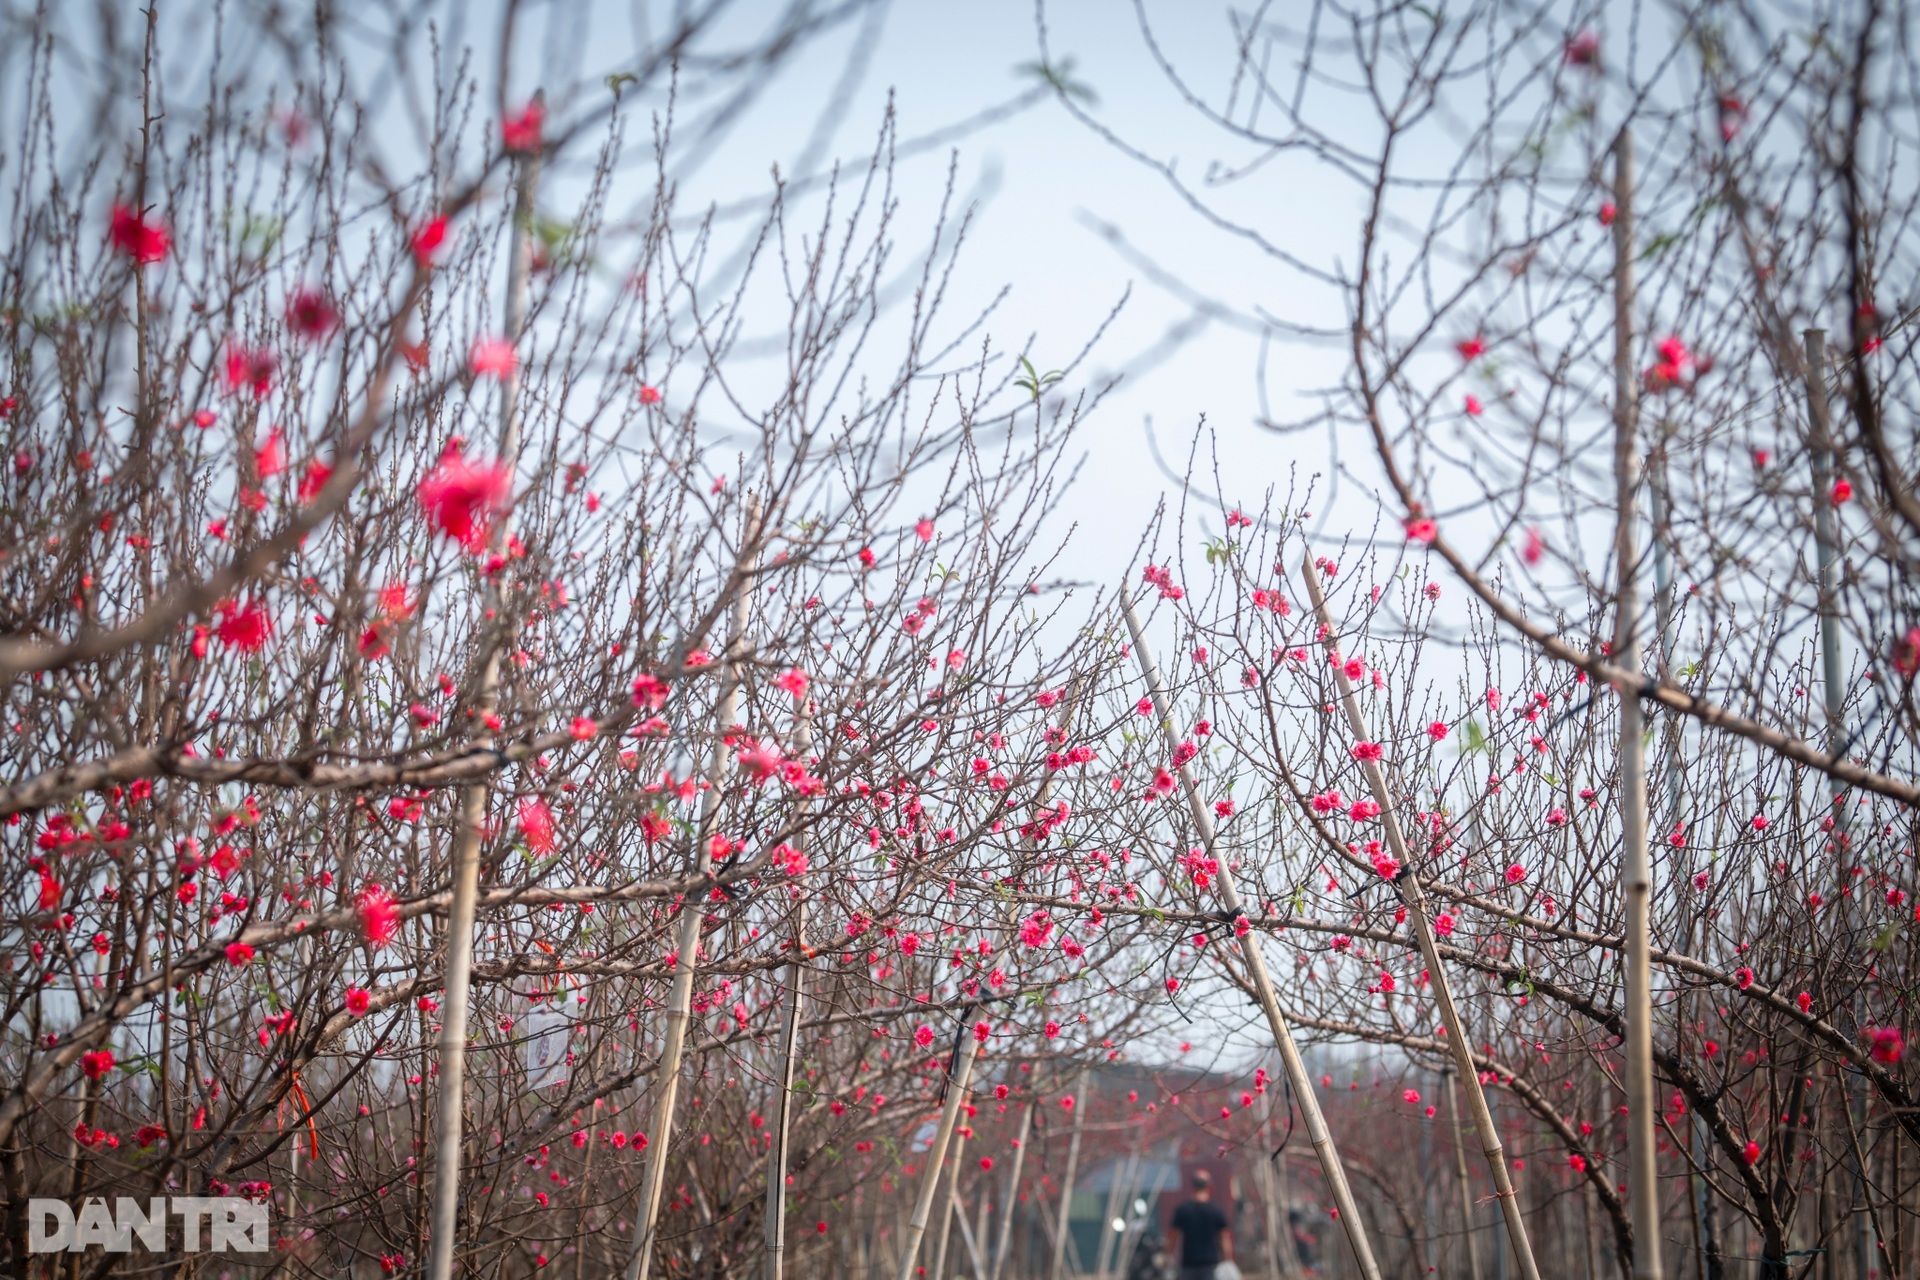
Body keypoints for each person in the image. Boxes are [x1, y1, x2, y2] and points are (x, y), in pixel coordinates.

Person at [1168, 1168, 1233, 1280]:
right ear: (1209, 1187)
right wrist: (1228, 1260)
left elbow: (1173, 1236)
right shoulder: (1216, 1211)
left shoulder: (1182, 1210)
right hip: (1210, 1263)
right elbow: (1224, 1238)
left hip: (1188, 1263)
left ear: (1192, 1188)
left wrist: (1167, 1255)